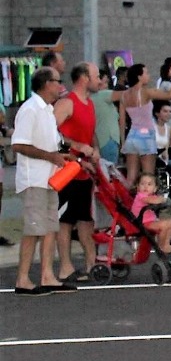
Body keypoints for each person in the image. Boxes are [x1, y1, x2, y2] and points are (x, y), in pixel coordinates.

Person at [11, 67, 75, 294]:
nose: (60, 86)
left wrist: (63, 156)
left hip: (50, 179)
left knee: (49, 228)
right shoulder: (31, 109)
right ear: (47, 84)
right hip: (34, 179)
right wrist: (50, 156)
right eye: (58, 81)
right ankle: (23, 279)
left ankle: (48, 275)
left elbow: (53, 144)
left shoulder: (47, 110)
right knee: (34, 229)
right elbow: (18, 144)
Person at [53, 62, 103, 282]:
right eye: (96, 75)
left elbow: (90, 134)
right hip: (67, 170)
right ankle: (65, 266)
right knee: (65, 220)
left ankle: (92, 262)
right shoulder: (67, 103)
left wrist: (95, 150)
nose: (99, 79)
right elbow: (51, 134)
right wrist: (77, 148)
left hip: (85, 171)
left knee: (85, 219)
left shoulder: (89, 104)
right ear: (84, 77)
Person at [119, 62, 171, 189]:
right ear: (139, 77)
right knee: (148, 175)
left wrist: (123, 142)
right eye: (146, 73)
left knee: (131, 177)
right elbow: (170, 95)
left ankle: (127, 204)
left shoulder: (124, 95)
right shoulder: (146, 92)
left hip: (132, 136)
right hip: (146, 136)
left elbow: (122, 121)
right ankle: (146, 206)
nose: (148, 76)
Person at [130, 173, 171, 255]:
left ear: (155, 188)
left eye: (149, 184)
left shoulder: (151, 195)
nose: (145, 186)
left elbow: (155, 199)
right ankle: (162, 246)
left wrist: (161, 199)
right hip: (142, 223)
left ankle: (166, 244)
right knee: (164, 225)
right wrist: (163, 199)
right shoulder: (141, 196)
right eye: (142, 184)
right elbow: (153, 200)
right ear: (138, 186)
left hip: (149, 221)